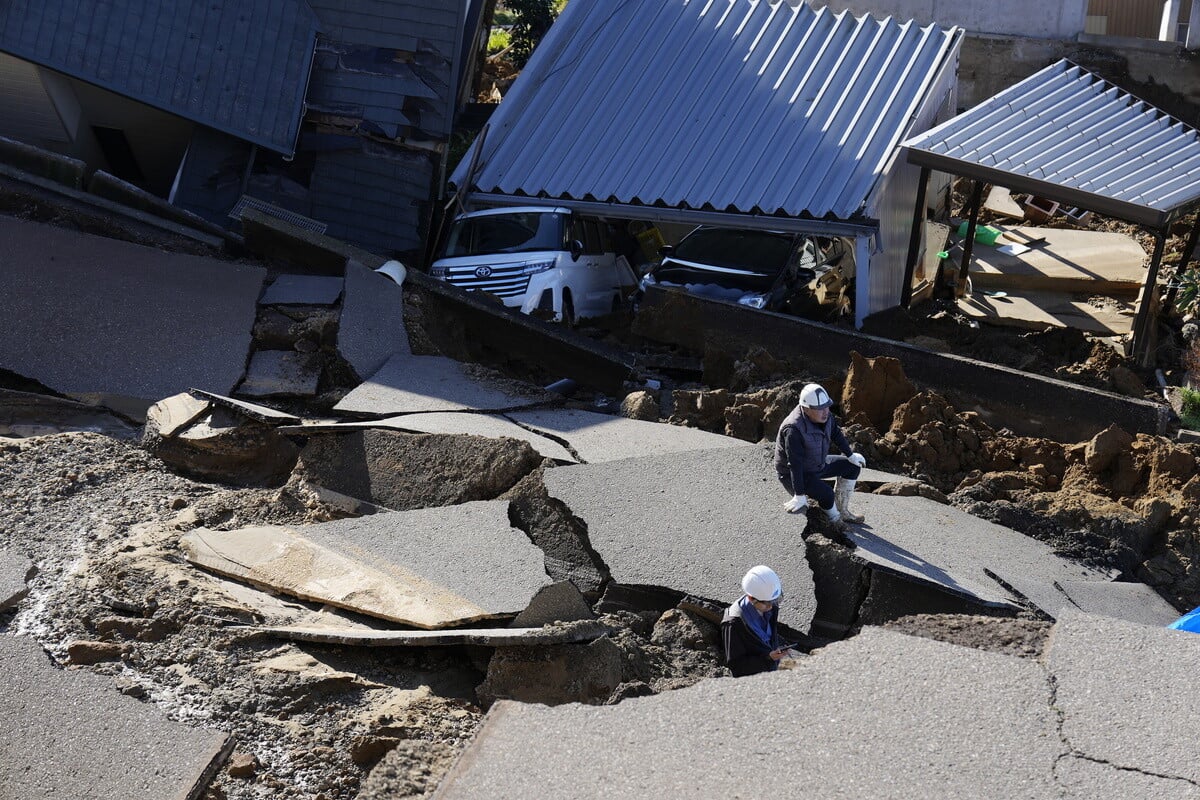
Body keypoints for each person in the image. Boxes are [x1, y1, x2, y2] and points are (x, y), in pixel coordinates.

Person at [775, 382, 867, 528]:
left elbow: (836, 433)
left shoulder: (825, 416)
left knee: (852, 467)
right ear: (806, 409)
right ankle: (835, 520)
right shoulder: (793, 429)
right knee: (826, 493)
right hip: (795, 474)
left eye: (827, 406)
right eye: (819, 409)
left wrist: (850, 455)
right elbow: (795, 464)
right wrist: (799, 495)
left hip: (817, 463)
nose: (825, 411)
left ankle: (842, 511)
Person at [722, 565, 787, 677]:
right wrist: (768, 658)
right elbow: (737, 667)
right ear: (751, 598)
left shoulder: (769, 603)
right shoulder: (733, 623)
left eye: (775, 600)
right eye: (767, 603)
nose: (771, 607)